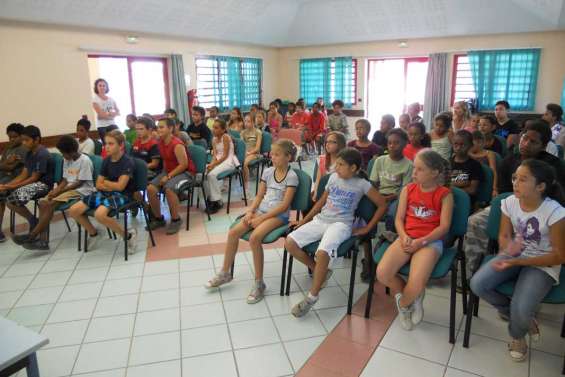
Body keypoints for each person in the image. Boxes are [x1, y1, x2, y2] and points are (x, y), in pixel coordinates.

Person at [469, 159, 565, 362]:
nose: (515, 183)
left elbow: (559, 256)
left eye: (523, 179)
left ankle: (517, 335)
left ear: (540, 186)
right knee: (478, 284)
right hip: (515, 255)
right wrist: (507, 249)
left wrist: (517, 261)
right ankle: (520, 317)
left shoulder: (555, 212)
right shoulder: (510, 202)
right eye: (515, 178)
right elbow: (504, 235)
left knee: (521, 307)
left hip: (543, 263)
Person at [285, 148, 387, 317]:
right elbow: (320, 203)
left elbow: (382, 204)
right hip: (321, 219)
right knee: (290, 242)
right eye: (336, 164)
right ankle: (321, 271)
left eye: (340, 164)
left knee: (323, 252)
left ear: (353, 168)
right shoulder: (333, 178)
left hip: (341, 225)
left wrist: (368, 228)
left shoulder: (362, 184)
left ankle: (312, 297)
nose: (336, 167)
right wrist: (304, 221)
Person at [463, 119, 565, 281]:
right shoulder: (509, 161)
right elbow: (504, 194)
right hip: (511, 207)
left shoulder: (552, 165)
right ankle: (473, 271)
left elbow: (557, 196)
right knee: (474, 222)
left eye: (533, 142)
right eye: (525, 138)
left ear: (543, 146)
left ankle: (527, 267)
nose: (526, 143)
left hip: (540, 210)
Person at [205, 140, 299, 303]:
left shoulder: (292, 176)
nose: (272, 157)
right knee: (233, 232)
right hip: (260, 211)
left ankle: (259, 283)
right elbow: (259, 196)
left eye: (277, 155)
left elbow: (284, 205)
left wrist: (261, 219)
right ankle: (225, 273)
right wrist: (251, 212)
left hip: (279, 216)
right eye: (272, 153)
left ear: (288, 157)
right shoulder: (268, 172)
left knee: (255, 238)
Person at [376, 149, 453, 330]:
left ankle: (404, 305)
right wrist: (403, 237)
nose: (414, 173)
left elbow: (444, 227)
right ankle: (413, 296)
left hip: (429, 242)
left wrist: (421, 242)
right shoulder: (408, 189)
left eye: (419, 169)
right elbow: (398, 219)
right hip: (407, 237)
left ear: (434, 173)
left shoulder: (445, 194)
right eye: (414, 168)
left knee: (416, 281)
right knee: (382, 274)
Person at [14, 136, 94, 250]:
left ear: (71, 151)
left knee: (51, 204)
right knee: (43, 203)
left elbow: (79, 183)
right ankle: (43, 240)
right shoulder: (67, 159)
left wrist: (60, 191)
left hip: (81, 190)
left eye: (63, 153)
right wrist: (56, 190)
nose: (62, 155)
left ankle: (32, 236)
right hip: (67, 189)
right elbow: (66, 180)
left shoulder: (84, 161)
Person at [68, 130, 137, 253]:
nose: (107, 147)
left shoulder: (128, 162)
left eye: (111, 144)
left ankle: (128, 235)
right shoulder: (106, 161)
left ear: (120, 145)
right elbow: (98, 184)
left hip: (124, 195)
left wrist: (106, 183)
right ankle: (94, 233)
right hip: (106, 193)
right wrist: (110, 185)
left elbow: (121, 187)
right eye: (106, 144)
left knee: (99, 214)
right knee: (73, 210)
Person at [0, 125, 53, 241]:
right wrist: (7, 186)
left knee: (12, 199)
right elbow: (24, 174)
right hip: (33, 184)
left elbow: (34, 178)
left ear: (37, 139)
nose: (24, 143)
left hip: (43, 185)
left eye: (26, 140)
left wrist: (11, 185)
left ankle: (35, 226)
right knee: (10, 201)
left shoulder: (42, 153)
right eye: (23, 140)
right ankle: (33, 220)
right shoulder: (29, 153)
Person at [146, 119, 195, 234]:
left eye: (162, 127)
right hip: (169, 172)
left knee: (169, 189)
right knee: (150, 189)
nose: (158, 129)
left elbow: (184, 165)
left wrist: (168, 177)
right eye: (158, 127)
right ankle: (158, 218)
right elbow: (165, 161)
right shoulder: (161, 142)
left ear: (171, 129)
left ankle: (176, 219)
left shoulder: (177, 144)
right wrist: (163, 175)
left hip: (186, 173)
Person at [369, 128, 413, 231]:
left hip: (396, 197)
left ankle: (389, 236)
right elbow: (373, 183)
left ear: (405, 144)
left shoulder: (409, 165)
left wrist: (389, 198)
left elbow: (405, 190)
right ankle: (368, 237)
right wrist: (378, 196)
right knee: (366, 209)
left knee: (393, 213)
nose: (392, 146)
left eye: (396, 143)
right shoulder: (380, 160)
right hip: (378, 195)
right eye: (389, 143)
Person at [204, 119, 240, 213]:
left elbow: (225, 156)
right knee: (203, 174)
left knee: (211, 175)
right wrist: (211, 165)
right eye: (213, 127)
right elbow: (215, 155)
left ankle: (217, 201)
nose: (213, 130)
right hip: (218, 160)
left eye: (216, 128)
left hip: (229, 161)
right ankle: (211, 198)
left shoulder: (226, 137)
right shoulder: (214, 139)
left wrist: (213, 164)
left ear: (223, 130)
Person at [0, 123, 28, 241]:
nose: (11, 139)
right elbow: (3, 165)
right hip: (4, 178)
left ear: (22, 136)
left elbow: (10, 168)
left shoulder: (23, 149)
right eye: (9, 137)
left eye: (15, 137)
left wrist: (6, 164)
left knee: (0, 194)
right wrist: (6, 163)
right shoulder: (8, 149)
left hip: (15, 179)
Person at [450, 130, 483, 206]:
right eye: (455, 144)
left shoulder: (475, 165)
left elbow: (472, 190)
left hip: (465, 202)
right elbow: (443, 185)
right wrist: (463, 183)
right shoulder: (447, 163)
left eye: (462, 145)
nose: (458, 148)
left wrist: (452, 187)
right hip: (448, 199)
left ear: (470, 146)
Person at [313, 131, 346, 198]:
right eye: (327, 142)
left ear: (340, 144)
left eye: (331, 142)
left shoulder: (345, 162)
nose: (327, 144)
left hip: (337, 195)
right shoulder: (321, 159)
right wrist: (316, 192)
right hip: (322, 193)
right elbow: (318, 180)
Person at [470, 131, 498, 199]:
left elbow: (493, 171)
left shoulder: (489, 154)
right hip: (471, 181)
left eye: (472, 144)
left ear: (480, 142)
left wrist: (494, 189)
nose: (469, 146)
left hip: (485, 181)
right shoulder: (467, 153)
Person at [241, 114, 262, 195]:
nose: (246, 123)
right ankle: (225, 184)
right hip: (245, 153)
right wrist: (244, 152)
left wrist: (249, 153)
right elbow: (242, 145)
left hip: (255, 153)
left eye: (248, 121)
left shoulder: (258, 132)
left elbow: (257, 148)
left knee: (245, 163)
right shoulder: (243, 132)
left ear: (253, 122)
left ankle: (246, 187)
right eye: (245, 121)